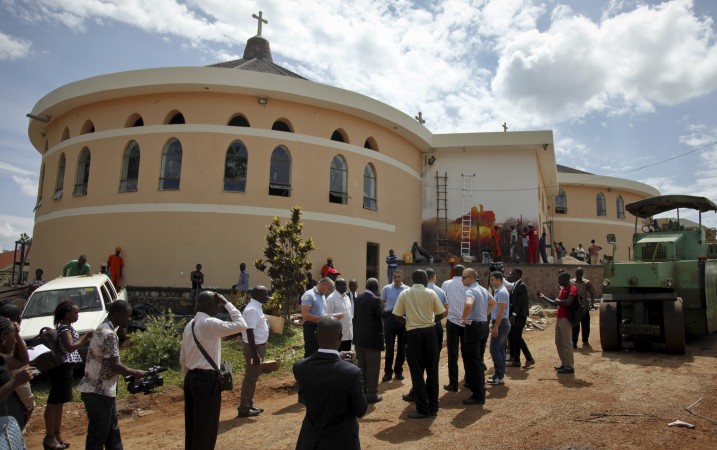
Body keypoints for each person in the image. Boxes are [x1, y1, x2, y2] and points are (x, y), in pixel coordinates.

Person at [180, 291, 248, 449]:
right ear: (210, 305)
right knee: (206, 427)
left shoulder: (189, 325)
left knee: (192, 425)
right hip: (206, 380)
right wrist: (227, 303)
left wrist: (189, 377)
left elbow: (183, 357)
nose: (218, 308)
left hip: (191, 378)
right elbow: (242, 325)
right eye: (216, 304)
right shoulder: (210, 323)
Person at [77, 300, 145, 450]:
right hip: (99, 392)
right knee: (98, 435)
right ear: (118, 315)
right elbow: (115, 365)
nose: (129, 319)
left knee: (111, 431)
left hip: (101, 390)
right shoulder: (109, 335)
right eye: (127, 316)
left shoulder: (103, 327)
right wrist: (136, 373)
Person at [293, 316, 367, 449]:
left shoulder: (299, 367)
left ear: (316, 335)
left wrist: (337, 356)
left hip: (311, 441)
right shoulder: (352, 372)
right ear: (340, 337)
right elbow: (360, 410)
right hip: (342, 441)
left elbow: (304, 397)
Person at [393, 269, 445, 419]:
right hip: (430, 333)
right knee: (432, 371)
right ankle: (433, 407)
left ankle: (422, 408)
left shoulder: (405, 293)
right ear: (423, 278)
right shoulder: (431, 293)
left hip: (413, 334)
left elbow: (397, 315)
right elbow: (442, 313)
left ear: (413, 279)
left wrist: (409, 321)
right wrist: (431, 322)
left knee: (417, 372)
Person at [44, 301, 93, 449]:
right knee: (54, 402)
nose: (77, 315)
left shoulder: (67, 327)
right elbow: (70, 347)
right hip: (61, 368)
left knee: (59, 402)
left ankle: (56, 434)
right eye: (75, 313)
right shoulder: (64, 328)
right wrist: (86, 337)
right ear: (67, 314)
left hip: (66, 367)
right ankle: (49, 437)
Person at [459, 268, 495, 405]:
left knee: (473, 362)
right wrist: (484, 314)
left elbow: (468, 304)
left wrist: (463, 318)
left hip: (473, 327)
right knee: (478, 360)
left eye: (464, 277)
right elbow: (493, 303)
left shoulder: (471, 290)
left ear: (471, 278)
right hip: (483, 326)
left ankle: (478, 394)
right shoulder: (483, 290)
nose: (462, 280)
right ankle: (479, 389)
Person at [0, 317, 33, 447]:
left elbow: (23, 361)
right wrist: (15, 381)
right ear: (3, 337)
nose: (14, 341)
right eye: (12, 336)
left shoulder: (2, 360)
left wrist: (18, 334)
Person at [238, 286, 269, 418]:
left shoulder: (257, 307)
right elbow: (249, 331)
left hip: (258, 347)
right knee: (250, 377)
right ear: (257, 295)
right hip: (254, 348)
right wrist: (255, 353)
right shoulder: (252, 309)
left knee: (253, 376)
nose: (267, 297)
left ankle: (249, 404)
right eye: (265, 294)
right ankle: (244, 408)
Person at [352, 278, 384, 404]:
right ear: (376, 288)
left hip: (359, 339)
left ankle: (363, 391)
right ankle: (372, 394)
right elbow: (382, 314)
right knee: (373, 367)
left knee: (362, 366)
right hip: (372, 340)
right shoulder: (375, 300)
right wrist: (394, 310)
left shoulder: (358, 298)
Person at [538, 272, 578, 374]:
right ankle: (564, 363)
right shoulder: (562, 289)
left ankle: (569, 366)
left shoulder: (572, 288)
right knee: (558, 342)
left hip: (566, 318)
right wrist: (544, 297)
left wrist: (558, 301)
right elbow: (556, 302)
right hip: (560, 318)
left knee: (567, 343)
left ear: (566, 279)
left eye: (560, 279)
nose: (558, 281)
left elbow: (568, 302)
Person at [380, 269, 409, 382]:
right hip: (390, 320)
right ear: (392, 277)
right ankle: (388, 372)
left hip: (402, 319)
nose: (396, 279)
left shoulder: (407, 289)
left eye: (398, 277)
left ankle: (398, 371)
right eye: (395, 277)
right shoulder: (386, 288)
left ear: (402, 277)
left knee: (402, 347)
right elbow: (382, 302)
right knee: (390, 348)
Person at [441, 264, 467, 391]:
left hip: (452, 321)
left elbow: (441, 300)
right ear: (463, 273)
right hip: (467, 322)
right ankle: (468, 379)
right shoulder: (468, 284)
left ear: (452, 272)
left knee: (452, 353)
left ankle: (453, 383)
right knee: (467, 352)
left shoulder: (446, 284)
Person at [300, 278, 337, 358]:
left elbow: (321, 312)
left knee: (319, 352)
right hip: (311, 328)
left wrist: (330, 316)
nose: (328, 291)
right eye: (328, 288)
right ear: (323, 284)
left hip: (321, 328)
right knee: (311, 352)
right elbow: (305, 315)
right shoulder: (309, 295)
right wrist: (322, 319)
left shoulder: (322, 296)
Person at [506, 268, 535, 368]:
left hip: (520, 316)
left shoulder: (521, 286)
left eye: (513, 274)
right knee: (514, 337)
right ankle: (516, 360)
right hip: (515, 316)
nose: (511, 276)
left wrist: (513, 315)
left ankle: (529, 358)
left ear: (518, 275)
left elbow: (520, 302)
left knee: (517, 337)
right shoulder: (515, 285)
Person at [487, 271, 511, 385]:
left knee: (494, 349)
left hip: (501, 323)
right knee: (500, 350)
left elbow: (501, 311)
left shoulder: (501, 292)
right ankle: (499, 375)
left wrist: (496, 326)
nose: (491, 282)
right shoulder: (499, 291)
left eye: (492, 280)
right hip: (501, 323)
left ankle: (499, 375)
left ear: (499, 279)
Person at [325, 278, 354, 351]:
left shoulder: (347, 297)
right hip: (338, 336)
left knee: (347, 357)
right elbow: (327, 317)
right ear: (337, 286)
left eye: (346, 285)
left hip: (348, 334)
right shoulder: (331, 298)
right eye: (344, 285)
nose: (346, 287)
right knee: (339, 357)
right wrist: (337, 316)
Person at [572, 267, 597, 348]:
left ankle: (585, 340)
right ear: (575, 273)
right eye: (577, 273)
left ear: (582, 274)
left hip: (584, 307)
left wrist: (592, 303)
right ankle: (574, 342)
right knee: (575, 325)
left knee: (585, 325)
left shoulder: (587, 282)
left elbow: (592, 293)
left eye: (580, 273)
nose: (579, 275)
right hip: (575, 307)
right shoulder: (571, 282)